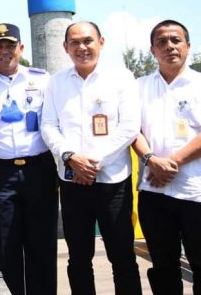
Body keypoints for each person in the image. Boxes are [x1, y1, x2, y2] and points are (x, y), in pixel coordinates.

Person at [41, 21, 142, 295]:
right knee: (79, 259)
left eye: (88, 41)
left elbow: (129, 127)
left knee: (122, 256)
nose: (82, 47)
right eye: (74, 42)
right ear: (65, 47)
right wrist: (70, 157)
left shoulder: (122, 78)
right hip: (72, 181)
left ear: (101, 42)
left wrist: (92, 163)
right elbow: (48, 125)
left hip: (113, 182)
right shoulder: (56, 82)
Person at [0, 23, 57, 294]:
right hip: (0, 175)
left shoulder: (42, 80)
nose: (5, 51)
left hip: (38, 169)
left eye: (10, 46)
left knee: (42, 246)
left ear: (21, 48)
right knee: (4, 247)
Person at [132, 19, 201, 294]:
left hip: (195, 192)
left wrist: (171, 164)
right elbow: (131, 130)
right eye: (161, 42)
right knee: (163, 270)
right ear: (152, 49)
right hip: (154, 193)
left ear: (188, 46)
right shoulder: (139, 87)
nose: (169, 46)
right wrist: (152, 160)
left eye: (176, 40)